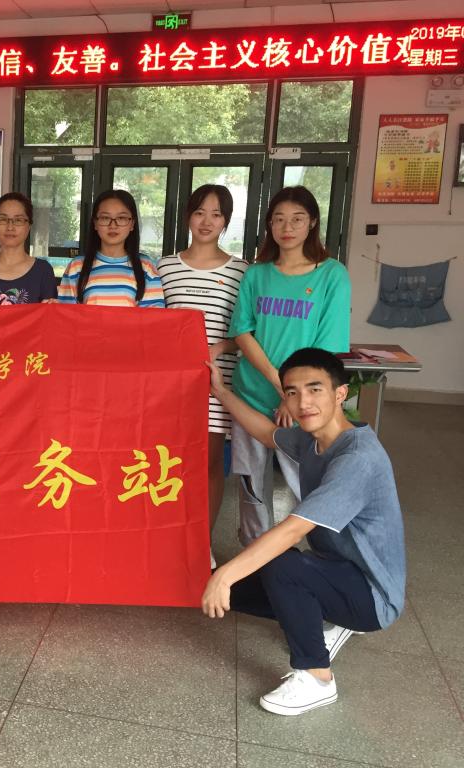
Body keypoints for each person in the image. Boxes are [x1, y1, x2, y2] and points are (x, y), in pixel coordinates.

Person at [203, 347, 405, 716]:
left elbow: (294, 530)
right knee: (236, 590)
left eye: (315, 390)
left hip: (373, 596)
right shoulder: (315, 440)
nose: (303, 402)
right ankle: (327, 617)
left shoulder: (357, 459)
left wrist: (225, 575)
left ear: (340, 393)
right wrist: (221, 392)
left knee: (281, 566)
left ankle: (317, 677)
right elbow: (268, 434)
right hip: (335, 570)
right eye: (292, 392)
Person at [228, 186, 350, 545]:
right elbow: (242, 331)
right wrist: (279, 385)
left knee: (306, 483)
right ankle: (256, 557)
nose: (287, 227)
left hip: (305, 403)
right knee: (252, 486)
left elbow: (326, 349)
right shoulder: (257, 274)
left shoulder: (331, 275)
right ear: (269, 225)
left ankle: (315, 556)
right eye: (279, 219)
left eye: (297, 219)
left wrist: (293, 397)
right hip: (252, 393)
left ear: (312, 223)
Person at [157, 185, 248, 565]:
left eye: (216, 213)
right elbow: (152, 326)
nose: (207, 221)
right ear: (187, 217)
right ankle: (168, 537)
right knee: (170, 463)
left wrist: (219, 349)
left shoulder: (241, 271)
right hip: (172, 386)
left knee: (209, 464)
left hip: (217, 383)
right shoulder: (164, 267)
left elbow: (247, 331)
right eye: (199, 212)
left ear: (226, 221)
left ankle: (201, 545)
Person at [57, 189, 164, 307]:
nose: (113, 225)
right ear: (95, 223)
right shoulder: (77, 266)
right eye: (105, 218)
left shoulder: (146, 266)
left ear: (132, 224)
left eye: (121, 218)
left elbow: (153, 316)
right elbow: (66, 314)